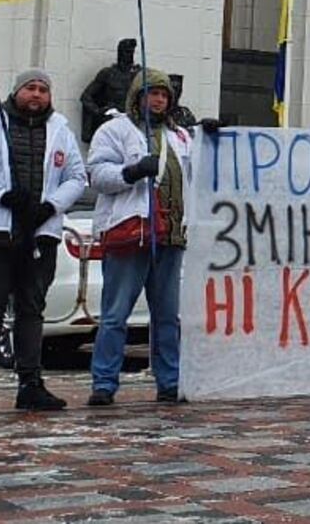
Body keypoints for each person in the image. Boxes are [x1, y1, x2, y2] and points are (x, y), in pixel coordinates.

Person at [0, 69, 87, 416]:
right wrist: (1, 196)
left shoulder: (62, 133)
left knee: (31, 310)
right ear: (16, 92)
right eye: (30, 88)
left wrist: (50, 206)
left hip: (40, 232)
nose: (37, 95)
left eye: (43, 89)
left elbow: (76, 176)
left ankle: (30, 384)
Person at [86, 69, 217, 405]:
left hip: (171, 236)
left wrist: (213, 138)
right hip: (132, 233)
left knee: (167, 316)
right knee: (116, 314)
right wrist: (129, 172)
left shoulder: (180, 136)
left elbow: (200, 172)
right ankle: (104, 382)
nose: (159, 99)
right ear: (137, 96)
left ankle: (169, 380)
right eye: (152, 93)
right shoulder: (114, 130)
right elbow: (97, 174)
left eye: (164, 95)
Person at [79, 39, 140, 141]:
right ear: (119, 53)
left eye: (131, 52)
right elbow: (86, 97)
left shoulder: (139, 75)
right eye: (126, 51)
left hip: (132, 124)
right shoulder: (108, 74)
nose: (129, 55)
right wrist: (98, 111)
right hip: (111, 122)